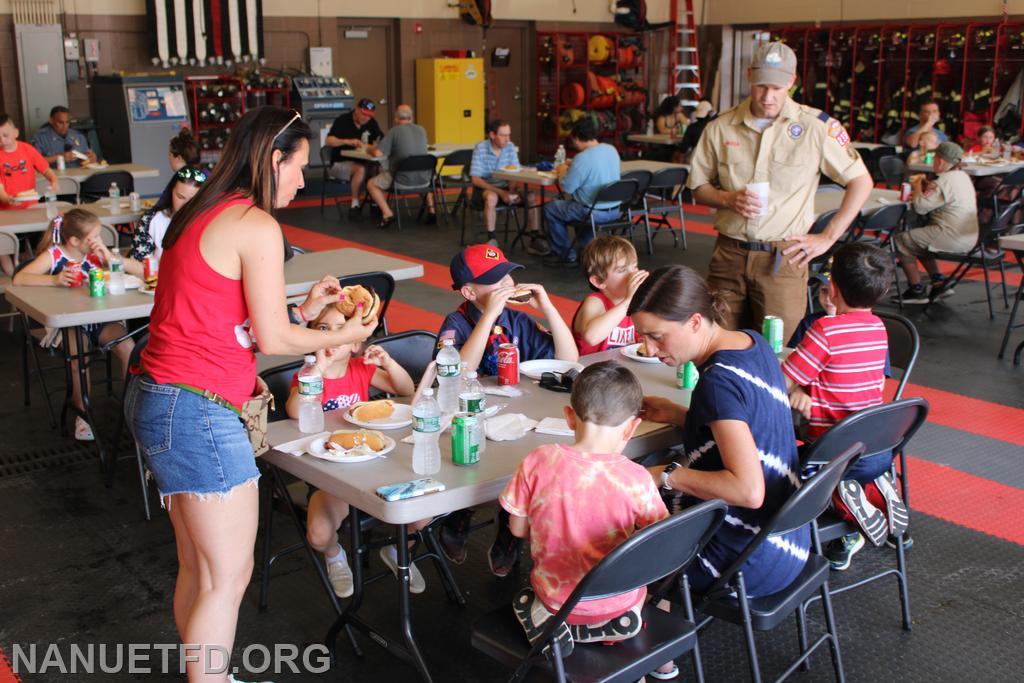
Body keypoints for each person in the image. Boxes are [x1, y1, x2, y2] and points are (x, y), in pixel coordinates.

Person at [124, 107, 378, 683]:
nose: (302, 180)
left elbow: (220, 319)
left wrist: (307, 311)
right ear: (273, 158)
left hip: (162, 398)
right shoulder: (257, 224)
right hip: (197, 410)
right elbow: (271, 338)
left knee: (199, 569)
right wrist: (347, 332)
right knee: (226, 578)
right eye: (299, 167)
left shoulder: (204, 211)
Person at [633, 266, 809, 597]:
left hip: (745, 560)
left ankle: (641, 621)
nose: (649, 349)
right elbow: (750, 425)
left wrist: (664, 475)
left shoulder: (717, 383)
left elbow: (748, 491)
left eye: (656, 336)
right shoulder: (752, 342)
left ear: (695, 321)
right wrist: (682, 416)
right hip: (789, 541)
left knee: (615, 524)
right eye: (642, 337)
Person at [687, 41, 872, 342]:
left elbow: (861, 182)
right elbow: (697, 187)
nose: (767, 96)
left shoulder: (816, 128)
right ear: (749, 76)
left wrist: (827, 238)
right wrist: (727, 199)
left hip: (783, 258)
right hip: (728, 255)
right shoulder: (721, 127)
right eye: (761, 86)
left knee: (780, 351)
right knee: (717, 346)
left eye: (776, 87)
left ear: (791, 81)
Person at [502, 361, 668, 657]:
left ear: (568, 417)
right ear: (632, 427)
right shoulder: (637, 479)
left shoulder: (537, 461)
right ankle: (609, 624)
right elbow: (658, 544)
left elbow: (516, 529)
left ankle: (552, 621)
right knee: (639, 590)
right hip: (619, 601)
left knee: (526, 596)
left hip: (555, 597)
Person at [436, 243, 578, 576]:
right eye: (496, 281)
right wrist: (487, 317)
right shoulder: (457, 322)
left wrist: (547, 307)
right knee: (485, 466)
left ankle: (507, 530)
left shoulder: (517, 320)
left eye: (508, 277)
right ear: (470, 292)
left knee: (534, 462)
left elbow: (569, 360)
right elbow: (455, 374)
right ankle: (460, 515)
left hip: (516, 415)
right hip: (467, 420)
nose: (508, 286)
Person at [284, 302, 431, 596]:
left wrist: (387, 363)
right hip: (331, 475)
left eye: (341, 330)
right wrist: (319, 369)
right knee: (319, 535)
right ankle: (334, 555)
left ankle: (397, 550)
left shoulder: (358, 369)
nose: (332, 337)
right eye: (323, 329)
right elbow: (294, 411)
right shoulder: (308, 375)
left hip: (376, 465)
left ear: (355, 343)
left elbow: (404, 391)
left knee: (424, 513)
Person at [781, 243, 907, 570]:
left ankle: (844, 502)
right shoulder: (879, 328)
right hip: (878, 446)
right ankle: (876, 488)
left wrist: (795, 389)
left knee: (791, 477)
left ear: (832, 289)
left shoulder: (825, 330)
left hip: (832, 451)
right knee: (846, 463)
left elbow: (782, 381)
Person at [13, 209, 134, 441]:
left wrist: (109, 258)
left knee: (127, 346)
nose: (97, 241)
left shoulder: (96, 255)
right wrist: (54, 279)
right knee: (78, 353)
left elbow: (124, 274)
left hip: (99, 318)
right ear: (74, 241)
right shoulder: (55, 255)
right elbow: (20, 278)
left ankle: (130, 408)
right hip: (69, 323)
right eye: (93, 237)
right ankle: (83, 413)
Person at [895, 142, 979, 304]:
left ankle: (916, 290)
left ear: (940, 161)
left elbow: (920, 207)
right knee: (919, 239)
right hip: (969, 236)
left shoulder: (942, 182)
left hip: (951, 237)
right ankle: (939, 281)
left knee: (901, 240)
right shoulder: (964, 177)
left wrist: (917, 186)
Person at [543, 117, 622, 266]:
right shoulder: (611, 149)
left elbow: (567, 187)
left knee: (551, 208)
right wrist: (574, 164)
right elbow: (596, 166)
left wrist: (562, 170)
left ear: (577, 138)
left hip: (592, 212)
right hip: (614, 210)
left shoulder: (582, 158)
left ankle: (565, 254)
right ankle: (587, 251)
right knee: (580, 205)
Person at [469, 119, 545, 253]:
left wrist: (511, 191)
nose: (507, 139)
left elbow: (515, 172)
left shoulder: (510, 147)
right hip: (486, 187)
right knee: (491, 198)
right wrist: (501, 193)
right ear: (492, 135)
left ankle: (534, 237)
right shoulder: (481, 148)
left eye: (508, 135)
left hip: (506, 185)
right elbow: (475, 179)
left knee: (531, 197)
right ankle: (491, 238)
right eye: (503, 135)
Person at [0, 113, 59, 274]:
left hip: (31, 209)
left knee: (50, 233)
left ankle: (43, 269)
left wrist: (54, 181)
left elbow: (46, 170)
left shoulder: (27, 150)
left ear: (16, 133)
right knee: (2, 243)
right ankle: (11, 277)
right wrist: (8, 199)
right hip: (5, 212)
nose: (2, 140)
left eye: (5, 135)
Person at [572, 235, 648, 354]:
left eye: (634, 266)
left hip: (622, 368)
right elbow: (591, 338)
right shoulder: (595, 302)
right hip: (591, 369)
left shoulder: (635, 304)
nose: (633, 274)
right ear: (599, 281)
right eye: (622, 270)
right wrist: (628, 301)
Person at [365, 104, 437, 229]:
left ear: (396, 118)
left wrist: (369, 148)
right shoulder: (421, 130)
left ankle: (387, 214)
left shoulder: (394, 131)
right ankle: (432, 211)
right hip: (425, 180)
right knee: (420, 177)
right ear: (412, 117)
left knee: (371, 184)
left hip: (400, 179)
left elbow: (377, 153)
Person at [126, 166, 206, 272]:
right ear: (171, 191)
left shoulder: (212, 224)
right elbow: (137, 263)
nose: (185, 205)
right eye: (180, 197)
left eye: (193, 200)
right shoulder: (152, 220)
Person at [324, 98, 383, 219]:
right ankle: (355, 204)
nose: (366, 118)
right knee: (360, 169)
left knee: (376, 168)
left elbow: (381, 139)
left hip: (364, 161)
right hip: (340, 162)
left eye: (369, 116)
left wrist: (373, 146)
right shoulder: (342, 120)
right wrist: (347, 141)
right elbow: (328, 141)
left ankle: (375, 202)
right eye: (364, 114)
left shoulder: (371, 123)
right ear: (356, 110)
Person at [32, 106, 98, 168]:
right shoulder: (40, 137)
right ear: (51, 120)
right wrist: (59, 157)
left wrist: (92, 158)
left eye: (67, 122)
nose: (65, 126)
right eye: (60, 122)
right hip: (56, 177)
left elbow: (88, 158)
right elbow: (34, 162)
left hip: (80, 176)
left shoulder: (78, 136)